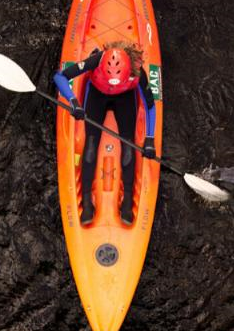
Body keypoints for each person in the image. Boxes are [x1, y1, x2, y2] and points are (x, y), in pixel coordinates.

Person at [53, 41, 156, 226]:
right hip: (97, 95)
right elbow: (60, 77)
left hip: (124, 98)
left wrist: (150, 139)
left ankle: (127, 202)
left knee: (128, 145)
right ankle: (86, 202)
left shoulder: (137, 71)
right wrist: (74, 102)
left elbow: (150, 105)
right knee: (91, 145)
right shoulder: (95, 60)